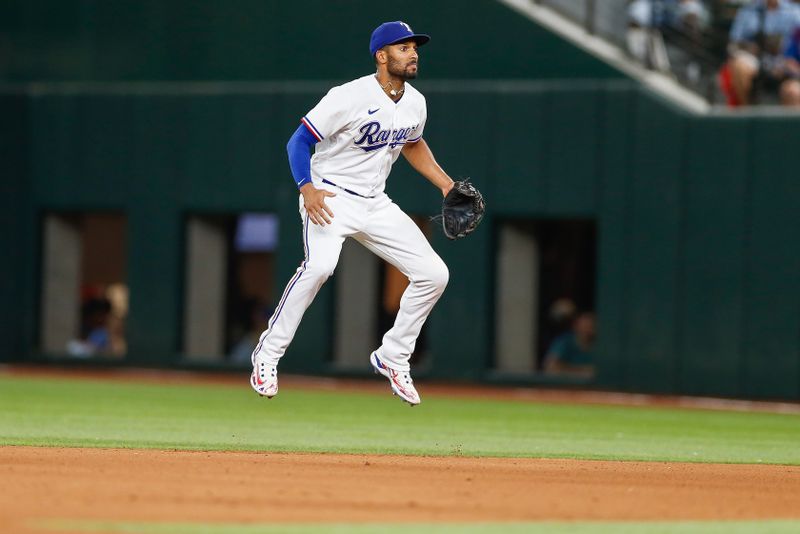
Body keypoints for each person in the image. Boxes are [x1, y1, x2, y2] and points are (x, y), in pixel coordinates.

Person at [249, 21, 456, 406]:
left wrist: (446, 184)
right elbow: (299, 141)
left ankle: (393, 356)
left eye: (414, 47)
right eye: (403, 47)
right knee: (319, 268)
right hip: (329, 196)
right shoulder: (348, 96)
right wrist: (306, 188)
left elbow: (412, 144)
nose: (413, 53)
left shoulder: (415, 102)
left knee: (434, 274)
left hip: (375, 202)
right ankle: (268, 352)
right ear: (382, 56)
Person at [723, 0, 800, 106]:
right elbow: (734, 43)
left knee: (793, 91)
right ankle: (749, 114)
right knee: (739, 65)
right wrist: (752, 47)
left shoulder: (794, 11)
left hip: (784, 64)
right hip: (755, 61)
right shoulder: (748, 10)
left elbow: (792, 49)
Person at [543, 312, 596, 379]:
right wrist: (581, 371)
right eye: (585, 325)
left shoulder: (601, 344)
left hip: (593, 387)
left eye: (591, 326)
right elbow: (550, 367)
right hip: (565, 385)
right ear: (576, 326)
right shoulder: (564, 341)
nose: (588, 329)